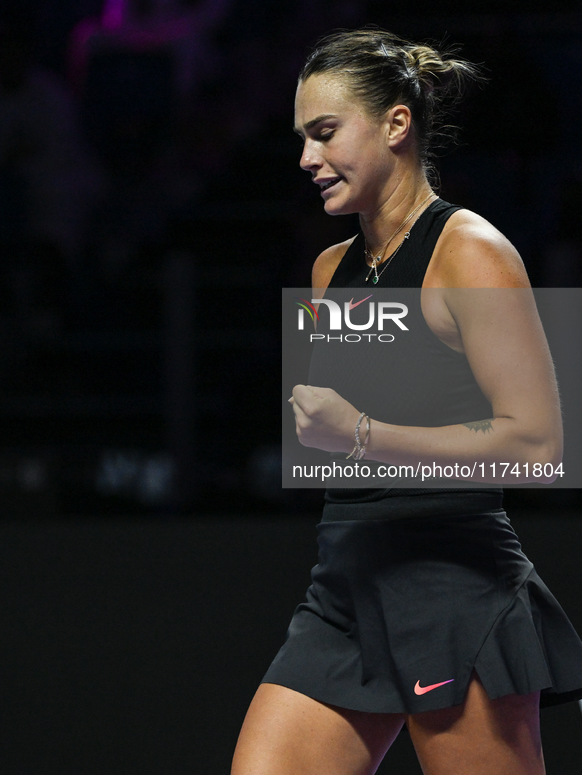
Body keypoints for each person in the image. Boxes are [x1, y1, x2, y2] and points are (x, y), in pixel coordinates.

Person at [231, 29, 582, 775]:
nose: (305, 159)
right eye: (300, 139)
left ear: (395, 124)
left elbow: (538, 446)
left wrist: (361, 431)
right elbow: (331, 447)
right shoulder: (328, 269)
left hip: (452, 585)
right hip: (344, 586)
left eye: (324, 133)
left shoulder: (471, 250)